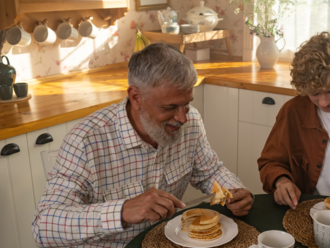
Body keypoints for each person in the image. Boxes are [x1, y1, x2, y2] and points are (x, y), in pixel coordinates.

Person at [32, 43, 253, 248]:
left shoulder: (191, 121)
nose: (182, 118)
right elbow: (43, 226)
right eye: (170, 107)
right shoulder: (85, 141)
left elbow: (209, 172)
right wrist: (121, 212)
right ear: (136, 96)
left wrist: (233, 191)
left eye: (186, 104)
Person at [258, 32, 330, 210]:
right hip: (307, 212)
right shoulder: (294, 111)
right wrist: (281, 181)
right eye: (315, 93)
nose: (324, 102)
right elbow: (270, 162)